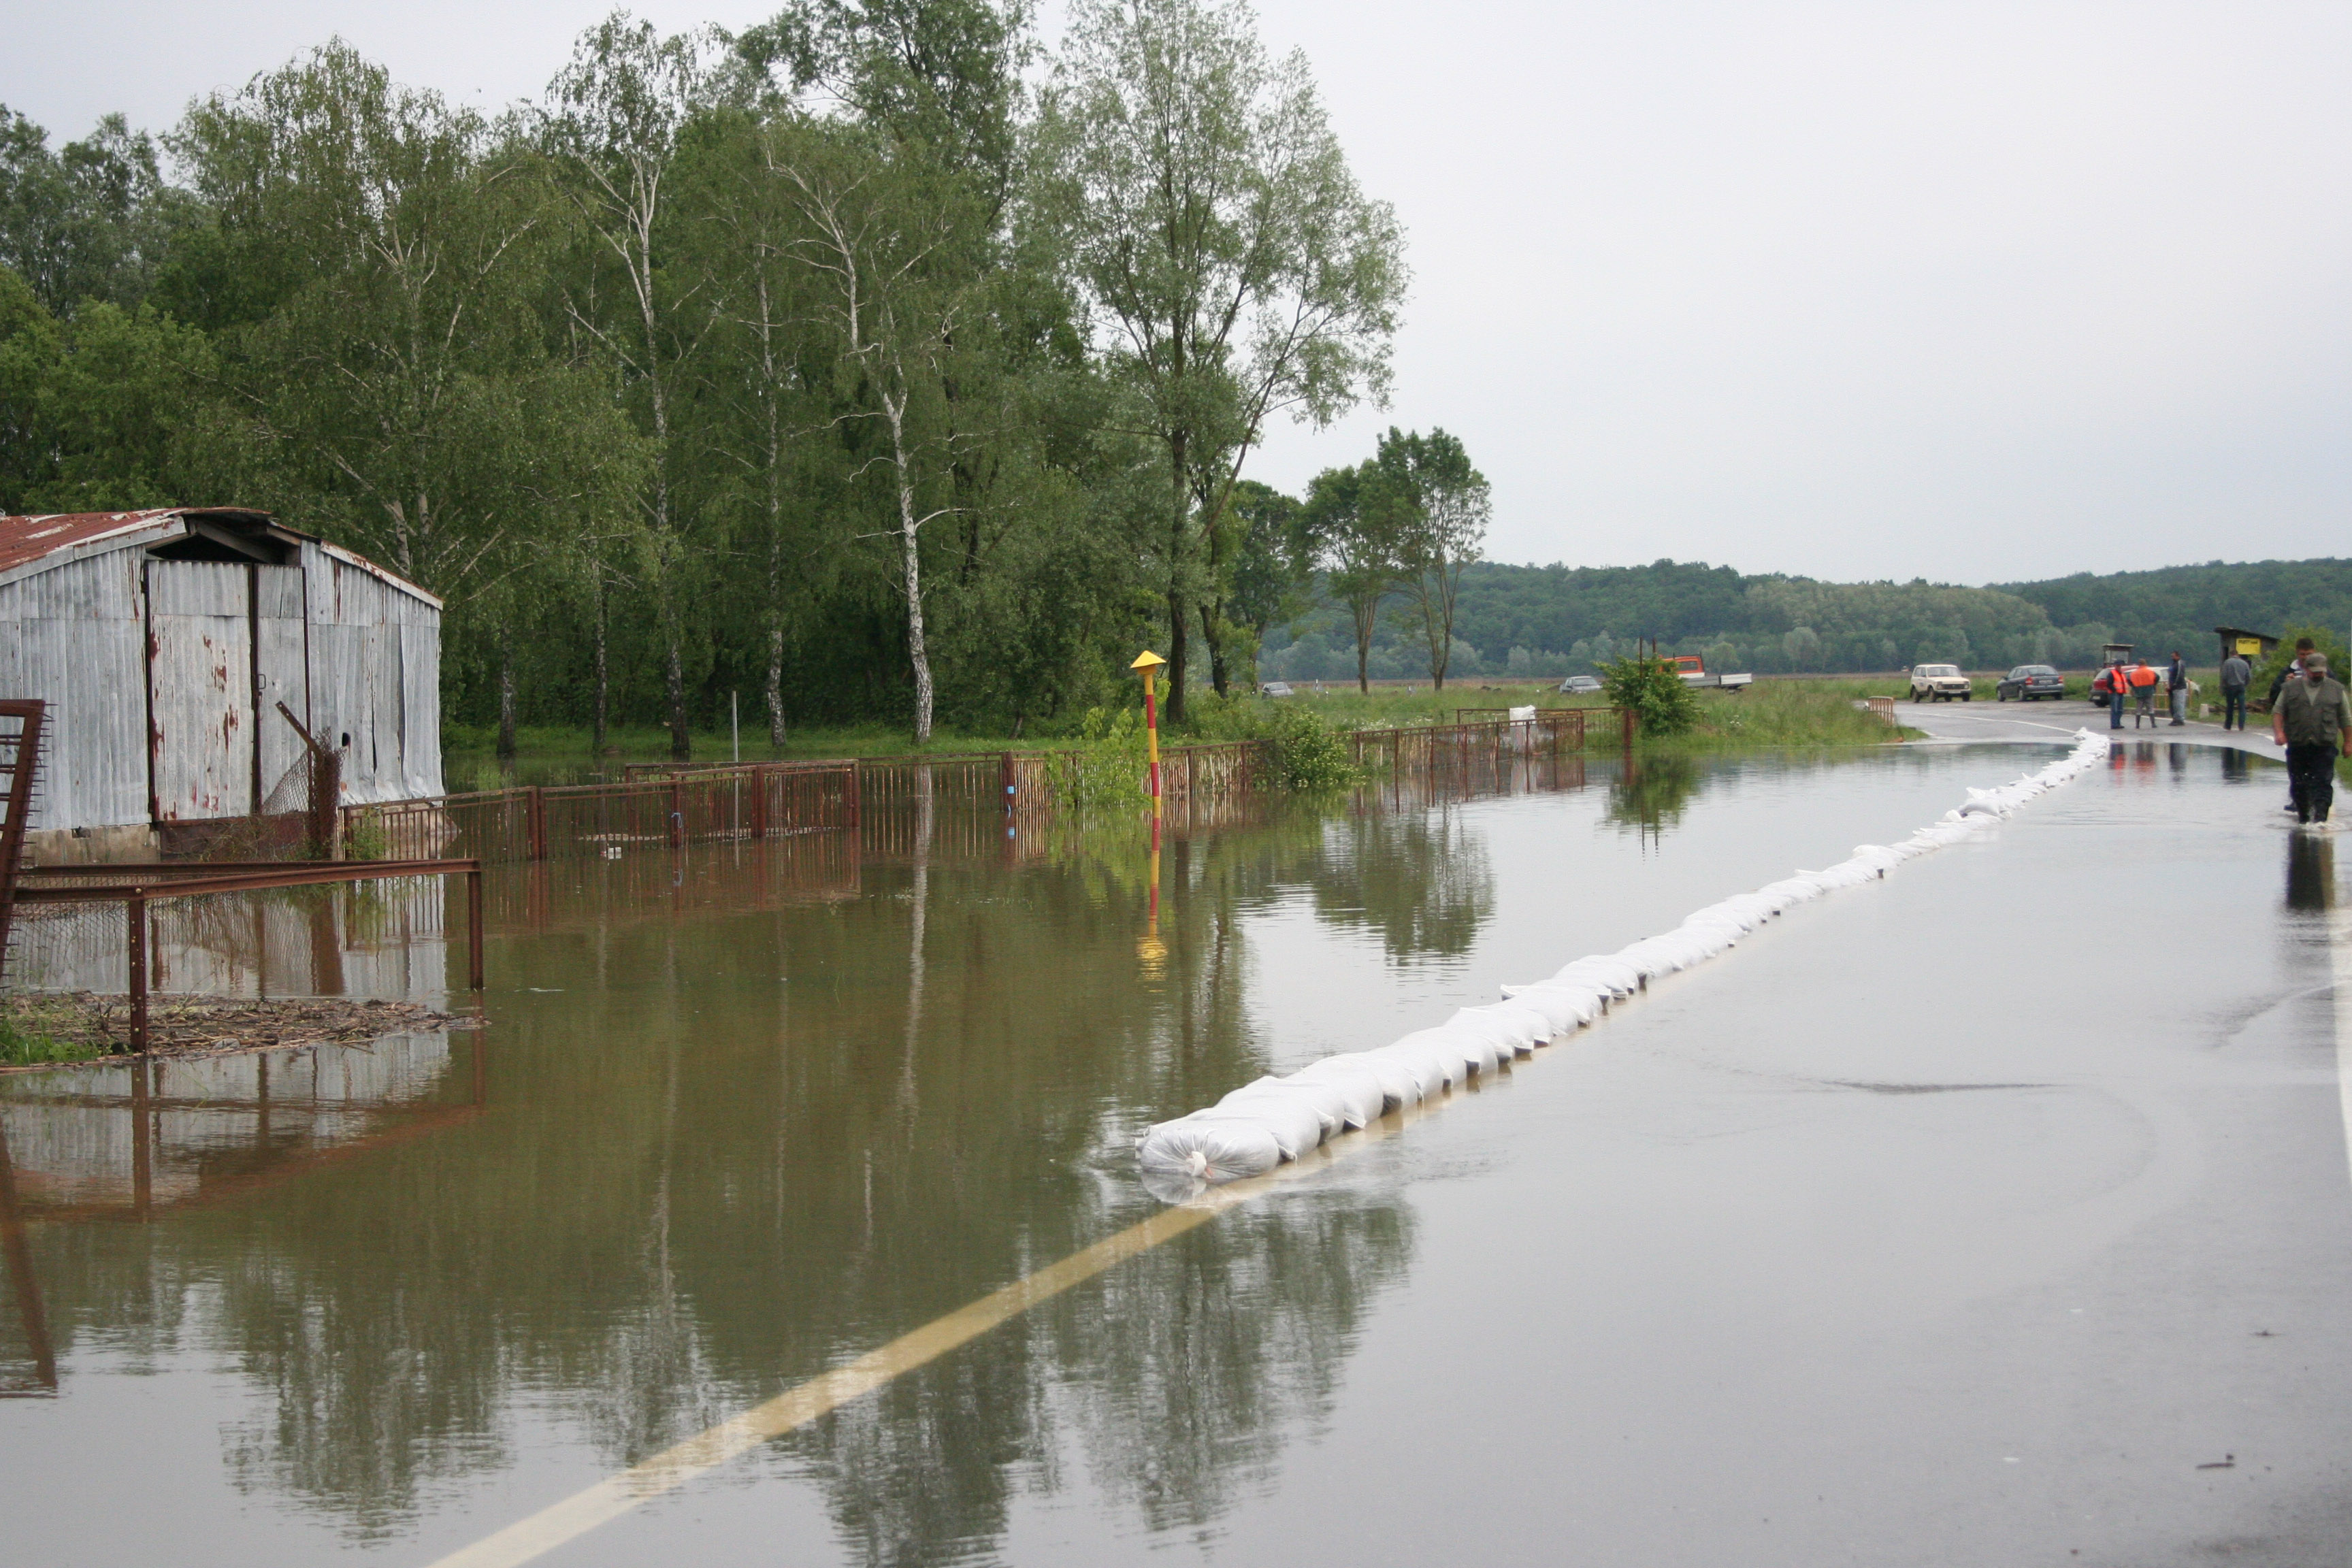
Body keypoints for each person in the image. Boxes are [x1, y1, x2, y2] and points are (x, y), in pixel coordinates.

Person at [2270, 651, 2352, 826]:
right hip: (2298, 743)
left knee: (2323, 782)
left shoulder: (2336, 689)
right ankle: (2304, 818)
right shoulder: (2290, 688)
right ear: (2306, 669)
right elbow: (2278, 711)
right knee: (2299, 783)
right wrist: (2279, 733)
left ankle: (2320, 821)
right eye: (2315, 671)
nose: (2318, 675)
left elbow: (2346, 718)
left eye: (2321, 671)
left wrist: (2348, 742)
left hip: (2324, 745)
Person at [2219, 647, 2253, 731]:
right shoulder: (2244, 663)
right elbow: (2248, 676)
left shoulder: (2227, 663)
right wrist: (2245, 684)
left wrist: (2223, 687)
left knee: (2230, 707)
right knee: (2242, 707)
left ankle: (2228, 725)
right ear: (2238, 654)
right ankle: (2241, 726)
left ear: (2231, 655)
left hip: (2230, 687)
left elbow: (2224, 676)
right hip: (2241, 687)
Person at [2130, 659, 2160, 728]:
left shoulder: (2134, 673)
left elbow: (2129, 680)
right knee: (2150, 707)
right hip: (2149, 691)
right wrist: (2154, 685)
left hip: (2139, 692)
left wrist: (2133, 687)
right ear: (2145, 664)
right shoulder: (2150, 672)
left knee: (2139, 708)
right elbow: (2157, 677)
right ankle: (2153, 724)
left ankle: (2137, 725)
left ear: (2139, 664)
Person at [2103, 658, 2127, 730]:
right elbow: (2109, 684)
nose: (2119, 667)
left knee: (2120, 710)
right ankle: (2114, 724)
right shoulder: (2112, 674)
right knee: (2115, 709)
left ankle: (2118, 723)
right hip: (2114, 694)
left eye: (2120, 665)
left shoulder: (2121, 674)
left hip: (2121, 693)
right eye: (2118, 665)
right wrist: (2114, 690)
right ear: (2115, 666)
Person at [2166, 650, 2187, 725]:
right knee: (2174, 704)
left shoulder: (2179, 664)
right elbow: (2170, 675)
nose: (2172, 657)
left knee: (2179, 704)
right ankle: (2175, 718)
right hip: (2173, 688)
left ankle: (2180, 719)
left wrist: (2174, 684)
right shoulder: (2173, 664)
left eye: (2173, 656)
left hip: (2179, 687)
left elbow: (2179, 675)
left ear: (2178, 656)